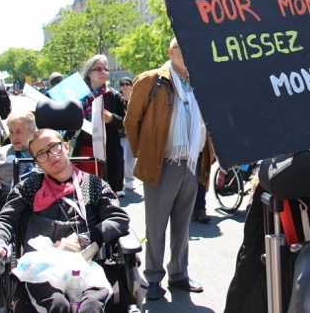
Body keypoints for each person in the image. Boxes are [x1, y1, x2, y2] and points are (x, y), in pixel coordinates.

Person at [0, 128, 130, 312]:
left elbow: (118, 218)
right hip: (40, 268)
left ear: (65, 147)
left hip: (86, 264)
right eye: (41, 154)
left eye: (53, 147)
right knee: (57, 306)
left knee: (91, 307)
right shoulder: (29, 187)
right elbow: (5, 219)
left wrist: (84, 239)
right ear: (37, 163)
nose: (50, 156)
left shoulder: (93, 184)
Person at [125, 37, 214, 300]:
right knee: (156, 225)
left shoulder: (199, 81)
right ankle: (153, 277)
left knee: (182, 225)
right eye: (181, 50)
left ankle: (179, 274)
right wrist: (146, 154)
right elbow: (132, 122)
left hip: (191, 163)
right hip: (162, 163)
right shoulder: (152, 79)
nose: (187, 54)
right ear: (170, 52)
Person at [73, 55, 126, 196]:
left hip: (108, 153)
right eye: (98, 69)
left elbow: (127, 124)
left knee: (106, 196)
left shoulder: (114, 96)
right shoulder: (79, 96)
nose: (103, 72)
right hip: (84, 151)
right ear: (89, 73)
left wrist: (112, 119)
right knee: (85, 194)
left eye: (105, 69)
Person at [118, 76, 136, 191]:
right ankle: (122, 180)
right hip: (120, 133)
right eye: (122, 84)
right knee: (122, 157)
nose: (124, 86)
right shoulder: (117, 98)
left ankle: (129, 180)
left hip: (133, 132)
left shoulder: (136, 98)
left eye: (127, 84)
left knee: (131, 158)